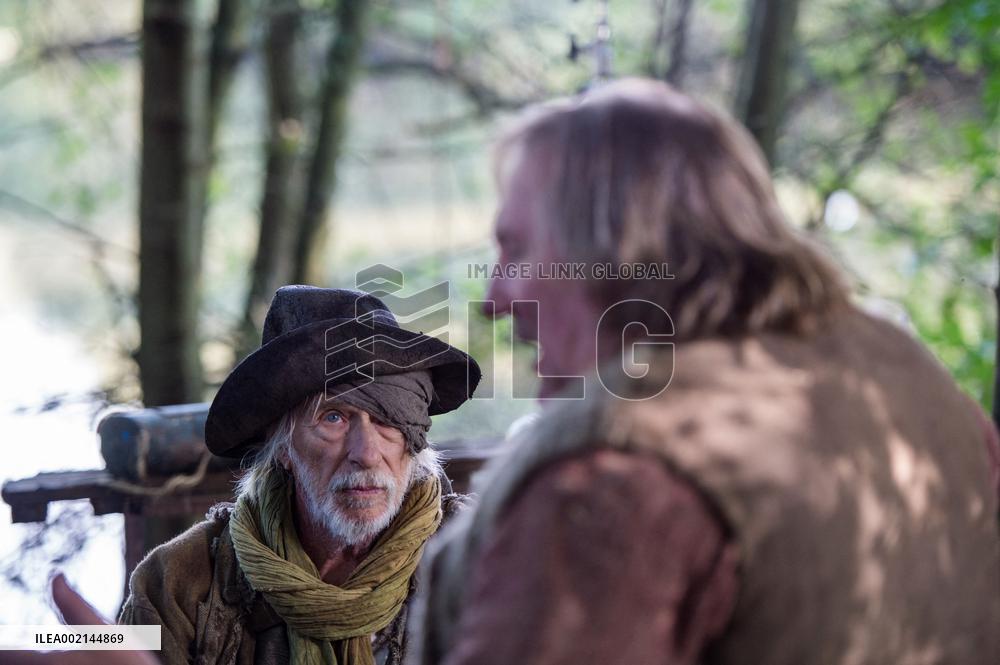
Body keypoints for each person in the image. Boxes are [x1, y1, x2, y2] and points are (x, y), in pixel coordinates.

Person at [408, 78, 1000, 664]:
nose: (494, 298)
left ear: (611, 250)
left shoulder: (610, 476)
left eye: (516, 250)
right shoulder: (914, 381)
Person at [119, 285, 480, 665]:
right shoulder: (177, 582)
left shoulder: (484, 553)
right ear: (284, 449)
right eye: (334, 418)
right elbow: (98, 645)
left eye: (389, 420)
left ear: (412, 441)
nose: (366, 454)